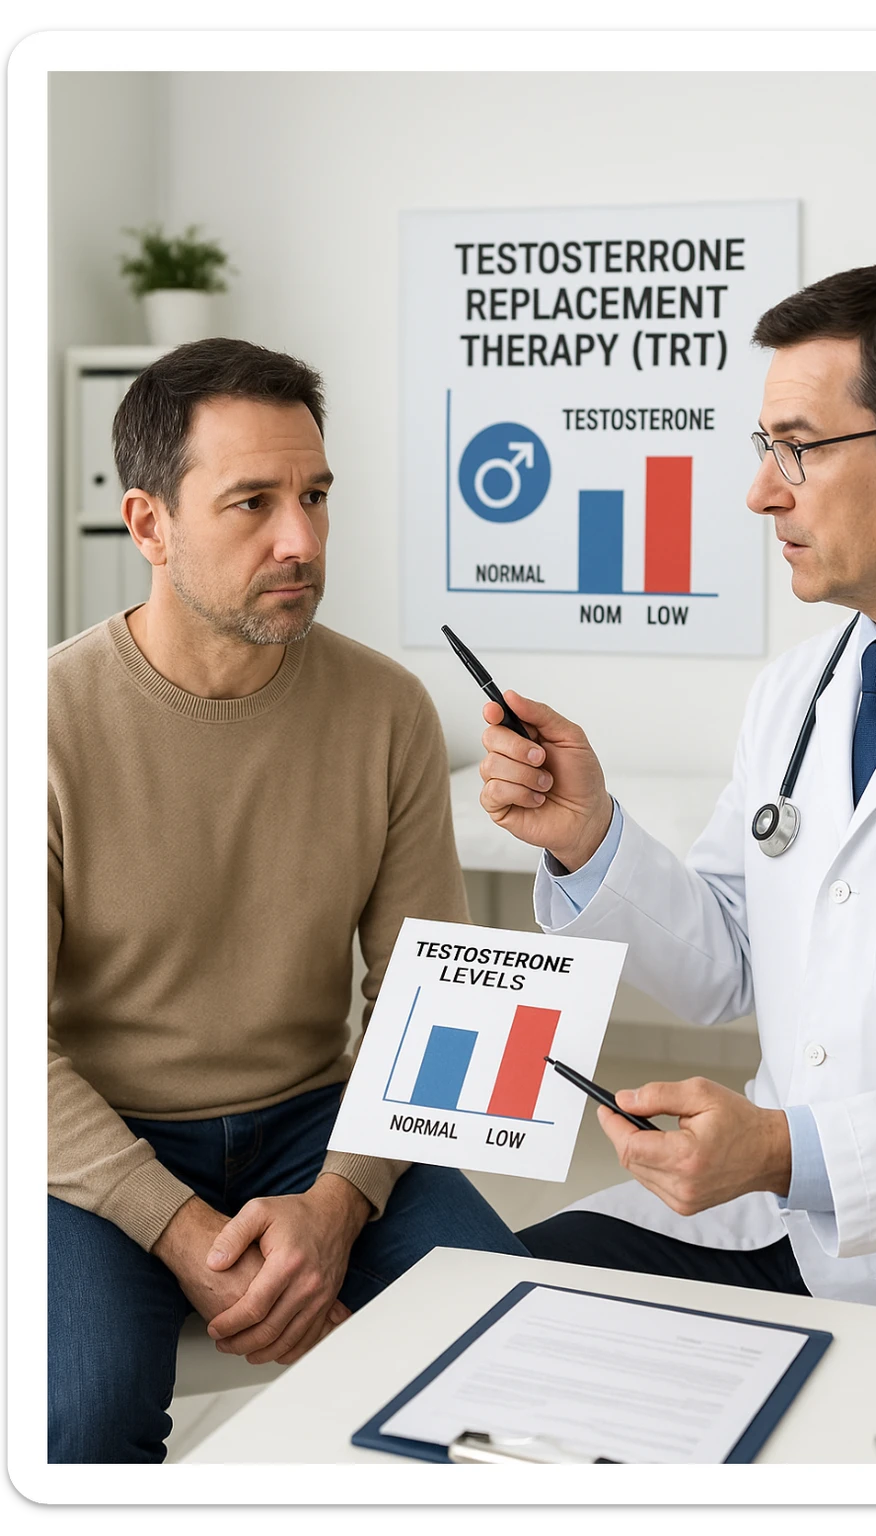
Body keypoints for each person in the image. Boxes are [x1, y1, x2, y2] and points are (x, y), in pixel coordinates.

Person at [48, 337, 528, 1464]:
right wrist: (184, 1232)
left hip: (320, 1120)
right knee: (76, 1418)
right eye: (252, 503)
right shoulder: (49, 723)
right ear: (149, 524)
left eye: (314, 496)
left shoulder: (389, 710)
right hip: (99, 1140)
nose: (301, 540)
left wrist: (337, 1204)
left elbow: (435, 997)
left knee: (522, 1347)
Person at [476, 262, 876, 1319]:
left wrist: (792, 1148)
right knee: (481, 1308)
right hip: (765, 1218)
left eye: (798, 448)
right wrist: (588, 839)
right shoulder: (798, 692)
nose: (760, 490)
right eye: (765, 450)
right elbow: (722, 972)